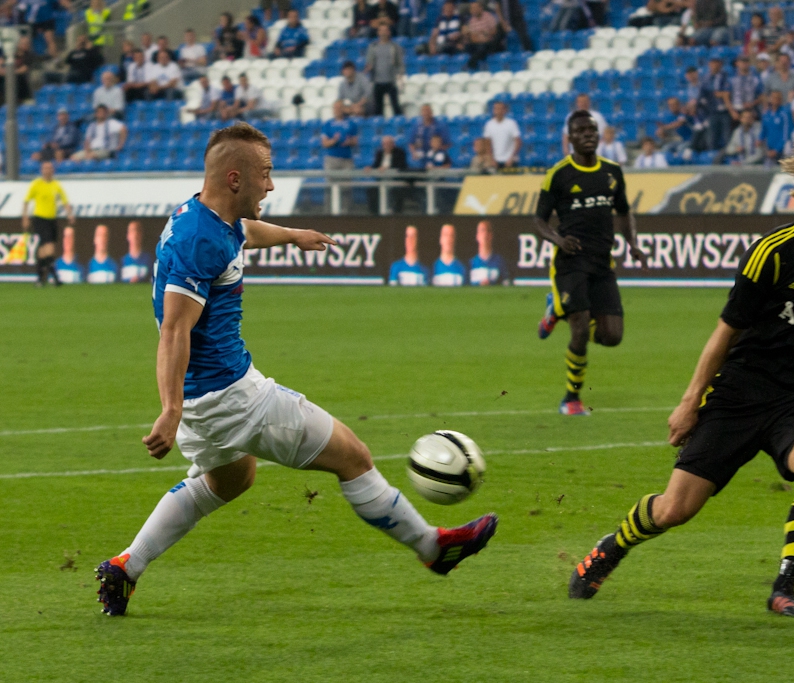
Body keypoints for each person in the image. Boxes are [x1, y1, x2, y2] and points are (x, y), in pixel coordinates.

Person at [93, 123, 497, 617]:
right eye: (266, 174)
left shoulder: (203, 214)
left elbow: (244, 232)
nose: (272, 185)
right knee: (353, 455)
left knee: (232, 480)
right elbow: (175, 331)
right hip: (233, 397)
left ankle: (125, 567)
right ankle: (435, 549)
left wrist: (293, 236)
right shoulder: (200, 241)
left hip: (207, 403)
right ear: (236, 178)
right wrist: (169, 409)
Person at [569, 123, 794, 619]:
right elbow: (726, 331)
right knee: (675, 509)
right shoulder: (774, 252)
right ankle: (613, 545)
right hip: (739, 391)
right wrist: (690, 401)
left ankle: (785, 586)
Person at [535, 111, 647, 416]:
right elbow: (539, 220)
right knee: (581, 329)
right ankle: (571, 398)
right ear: (570, 138)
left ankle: (557, 308)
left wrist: (633, 243)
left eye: (592, 130)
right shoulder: (558, 174)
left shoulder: (612, 172)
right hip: (570, 262)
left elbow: (624, 211)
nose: (588, 134)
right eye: (581, 130)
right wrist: (558, 240)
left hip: (602, 263)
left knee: (612, 337)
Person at [22, 160, 74, 287]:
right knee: (49, 246)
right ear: (41, 170)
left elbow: (64, 201)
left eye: (50, 168)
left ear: (53, 170)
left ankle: (40, 278)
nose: (47, 170)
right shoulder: (36, 184)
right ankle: (55, 277)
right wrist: (25, 217)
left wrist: (70, 214)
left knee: (43, 248)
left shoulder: (56, 185)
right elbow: (26, 201)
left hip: (52, 219)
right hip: (40, 218)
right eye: (45, 168)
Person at [365, 25, 404, 117]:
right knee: (378, 108)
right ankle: (379, 126)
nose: (383, 33)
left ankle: (398, 123)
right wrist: (369, 68)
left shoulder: (394, 47)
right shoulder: (373, 47)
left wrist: (400, 74)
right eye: (381, 30)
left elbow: (399, 63)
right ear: (378, 32)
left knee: (395, 106)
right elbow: (369, 62)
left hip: (391, 81)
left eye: (385, 30)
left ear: (389, 32)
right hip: (378, 81)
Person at [367, 136, 409, 213]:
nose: (386, 146)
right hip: (381, 180)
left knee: (397, 190)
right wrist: (370, 168)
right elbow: (376, 165)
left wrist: (387, 168)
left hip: (395, 180)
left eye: (388, 144)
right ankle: (375, 213)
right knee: (371, 190)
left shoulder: (399, 152)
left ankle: (396, 212)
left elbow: (401, 166)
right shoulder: (380, 153)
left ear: (393, 144)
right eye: (384, 144)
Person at [322, 99, 358, 172]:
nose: (337, 110)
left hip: (346, 159)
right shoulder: (328, 124)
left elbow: (355, 141)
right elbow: (324, 143)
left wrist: (349, 142)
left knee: (346, 182)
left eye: (339, 108)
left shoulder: (351, 124)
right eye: (335, 108)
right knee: (331, 182)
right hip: (332, 158)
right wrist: (334, 140)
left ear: (343, 109)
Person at [463, 1, 500, 71]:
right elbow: (472, 37)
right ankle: (475, 60)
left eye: (475, 8)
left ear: (480, 8)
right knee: (468, 46)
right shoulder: (472, 20)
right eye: (472, 8)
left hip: (489, 41)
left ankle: (472, 63)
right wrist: (480, 39)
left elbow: (495, 31)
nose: (473, 10)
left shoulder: (488, 16)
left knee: (484, 46)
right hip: (478, 42)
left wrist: (486, 34)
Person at [482, 101, 521, 168]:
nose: (498, 111)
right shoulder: (489, 124)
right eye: (496, 108)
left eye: (500, 109)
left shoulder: (511, 123)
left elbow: (518, 141)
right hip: (495, 160)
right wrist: (491, 159)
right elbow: (487, 143)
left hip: (510, 161)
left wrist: (512, 157)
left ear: (505, 110)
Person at [470, 220, 509, 286]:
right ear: (477, 236)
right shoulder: (471, 263)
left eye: (488, 231)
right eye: (482, 230)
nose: (485, 234)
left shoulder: (500, 261)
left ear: (491, 235)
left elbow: (506, 284)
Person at [760, 89, 793, 164]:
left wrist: (777, 150)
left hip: (782, 151)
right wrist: (759, 140)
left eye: (778, 98)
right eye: (774, 97)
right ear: (770, 99)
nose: (776, 100)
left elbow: (786, 134)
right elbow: (763, 131)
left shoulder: (784, 113)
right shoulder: (766, 114)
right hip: (769, 149)